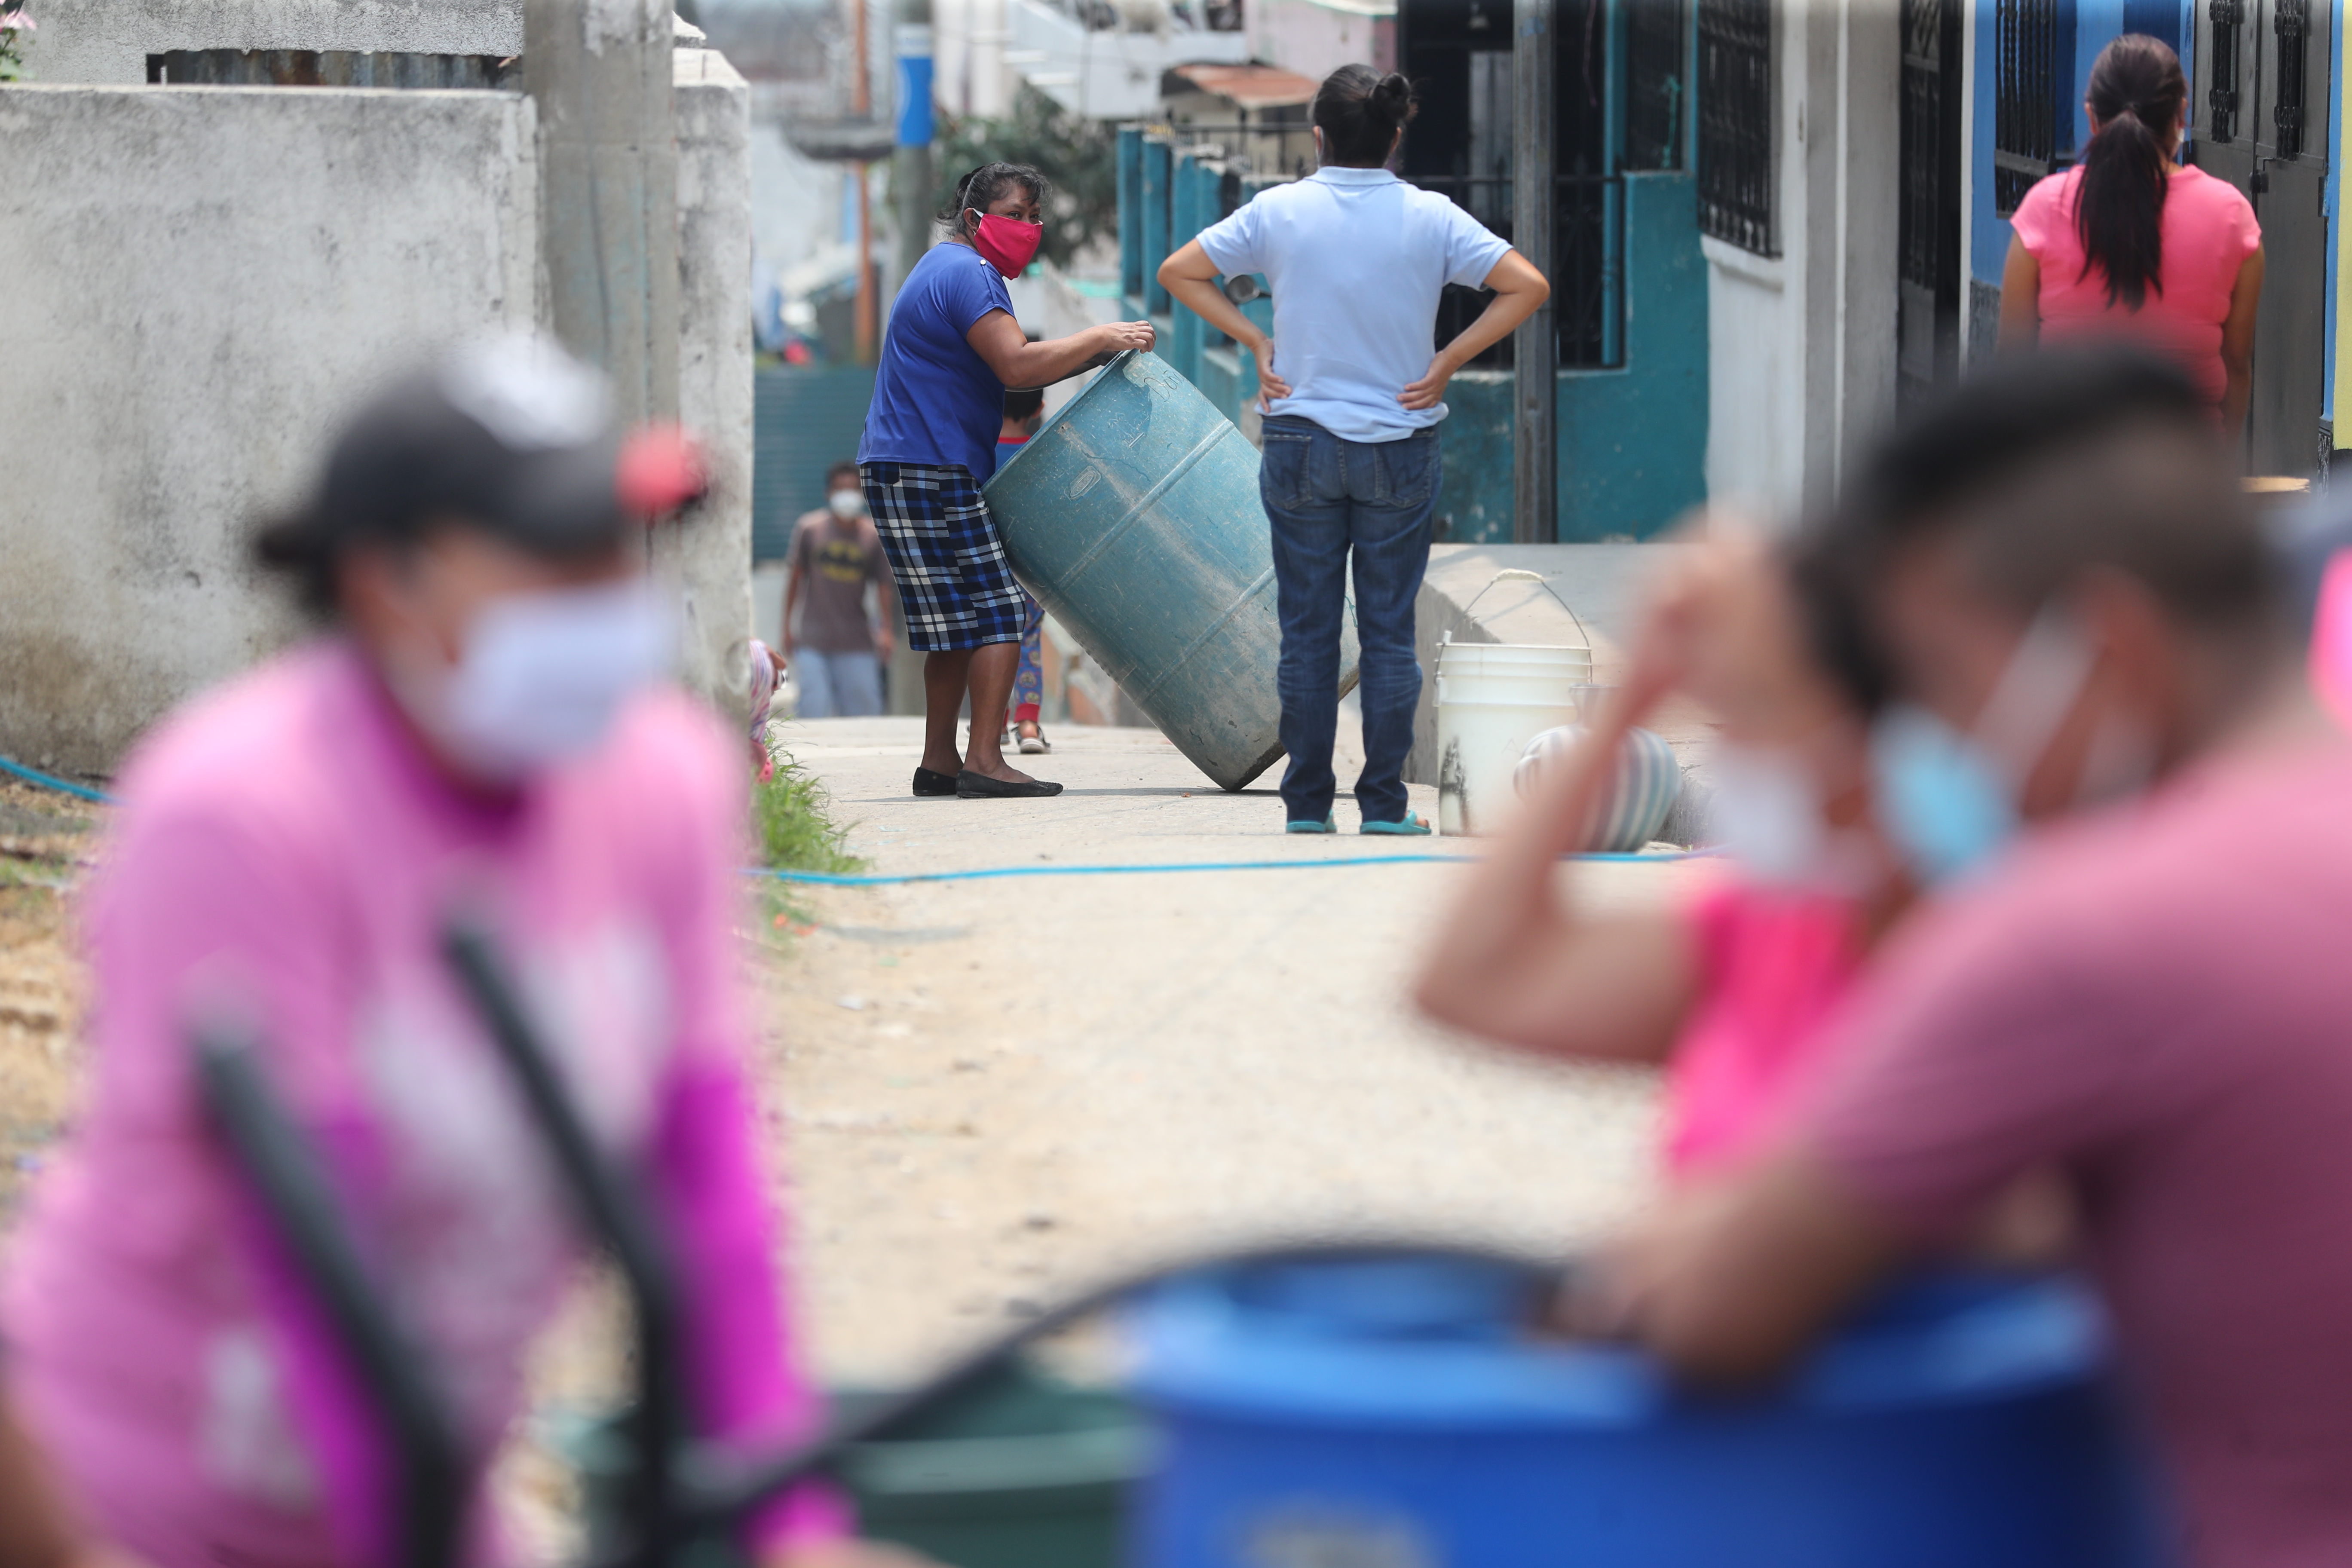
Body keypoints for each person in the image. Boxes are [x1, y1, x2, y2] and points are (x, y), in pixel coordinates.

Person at [0, 336, 928, 1568]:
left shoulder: (659, 782)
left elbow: (710, 1185)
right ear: (393, 584)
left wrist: (786, 1527)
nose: (612, 597)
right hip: (116, 1504)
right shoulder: (242, 813)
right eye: (560, 562)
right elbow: (325, 1270)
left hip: (423, 1490)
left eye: (617, 549)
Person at [1587, 350, 2352, 1568]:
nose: (1934, 749)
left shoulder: (2084, 930)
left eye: (1944, 686)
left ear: (2108, 649)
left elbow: (1705, 1308)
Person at [1415, 531, 1908, 1178]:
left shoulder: (1973, 959)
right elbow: (1469, 978)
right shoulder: (1767, 934)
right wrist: (1629, 700)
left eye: (1757, 715)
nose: (1738, 756)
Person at [1160, 65, 1551, 835]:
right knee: (1386, 632)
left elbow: (1182, 272)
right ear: (1394, 136)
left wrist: (1253, 337)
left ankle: (1307, 806)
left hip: (1300, 441)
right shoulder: (1432, 216)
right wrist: (1445, 362)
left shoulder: (1279, 212)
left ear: (1318, 136)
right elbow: (1526, 285)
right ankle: (1382, 805)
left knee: (1307, 631)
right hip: (1400, 445)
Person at [857, 160, 1154, 799]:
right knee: (997, 613)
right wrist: (1101, 333)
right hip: (932, 462)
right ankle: (986, 760)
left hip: (900, 461)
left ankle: (939, 762)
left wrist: (1087, 351)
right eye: (1014, 215)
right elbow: (1016, 366)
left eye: (1033, 217)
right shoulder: (971, 275)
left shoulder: (939, 267)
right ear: (974, 218)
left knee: (954, 624)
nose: (1028, 228)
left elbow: (1004, 372)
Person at [1998, 34, 2263, 435]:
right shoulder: (2232, 217)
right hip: (2183, 469)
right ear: (2181, 116)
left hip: (2064, 469)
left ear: (2091, 118)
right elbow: (2237, 364)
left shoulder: (2045, 208)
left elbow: (2011, 366)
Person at [782, 461, 894, 720]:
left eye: (854, 489)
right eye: (841, 488)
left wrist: (887, 630)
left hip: (858, 641)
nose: (847, 495)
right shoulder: (809, 529)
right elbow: (795, 580)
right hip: (813, 640)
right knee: (813, 711)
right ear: (829, 493)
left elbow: (883, 586)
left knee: (865, 714)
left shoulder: (873, 535)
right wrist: (787, 628)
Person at [998, 385, 1050, 756]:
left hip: (987, 567)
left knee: (988, 642)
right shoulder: (1043, 455)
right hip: (1030, 571)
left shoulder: (976, 452)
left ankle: (993, 724)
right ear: (1040, 408)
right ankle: (1028, 724)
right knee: (1027, 642)